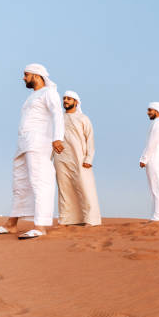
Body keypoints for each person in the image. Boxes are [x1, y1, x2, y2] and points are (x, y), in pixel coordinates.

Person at [0, 63, 64, 239]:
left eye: (26, 74)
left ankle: (41, 226)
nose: (23, 78)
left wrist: (57, 137)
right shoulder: (32, 96)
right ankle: (11, 224)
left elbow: (57, 114)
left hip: (39, 142)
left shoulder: (49, 93)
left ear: (36, 75)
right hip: (23, 143)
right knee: (20, 184)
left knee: (40, 181)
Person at [53, 91, 102, 226]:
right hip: (60, 158)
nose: (66, 101)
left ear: (76, 102)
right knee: (64, 188)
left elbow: (90, 140)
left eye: (69, 99)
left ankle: (91, 220)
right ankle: (68, 220)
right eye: (64, 99)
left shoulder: (83, 119)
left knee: (85, 187)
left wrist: (89, 159)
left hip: (79, 158)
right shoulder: (58, 119)